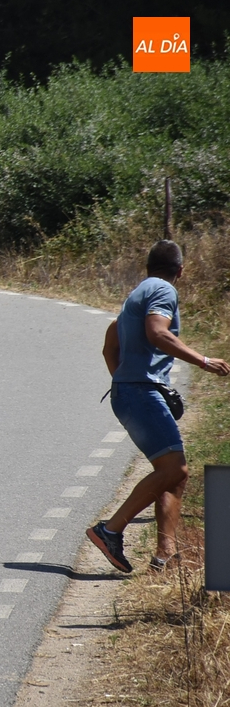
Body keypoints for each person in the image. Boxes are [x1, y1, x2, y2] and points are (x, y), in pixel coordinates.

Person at [87, 240, 230, 573]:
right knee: (174, 470)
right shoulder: (163, 291)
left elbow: (110, 345)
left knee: (173, 473)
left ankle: (163, 556)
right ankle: (109, 530)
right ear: (181, 271)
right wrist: (204, 361)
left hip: (132, 392)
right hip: (140, 393)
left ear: (148, 266)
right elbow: (157, 332)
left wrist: (124, 380)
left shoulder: (137, 293)